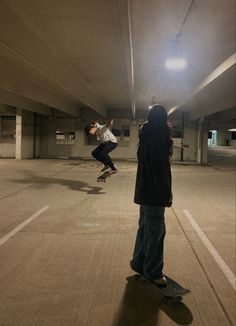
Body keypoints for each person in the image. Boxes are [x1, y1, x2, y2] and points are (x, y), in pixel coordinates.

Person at [130, 104, 173, 286]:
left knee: (145, 230)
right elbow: (160, 172)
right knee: (156, 233)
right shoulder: (158, 139)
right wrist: (166, 195)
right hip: (154, 195)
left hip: (144, 193)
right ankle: (153, 272)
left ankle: (139, 263)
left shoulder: (146, 136)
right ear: (163, 119)